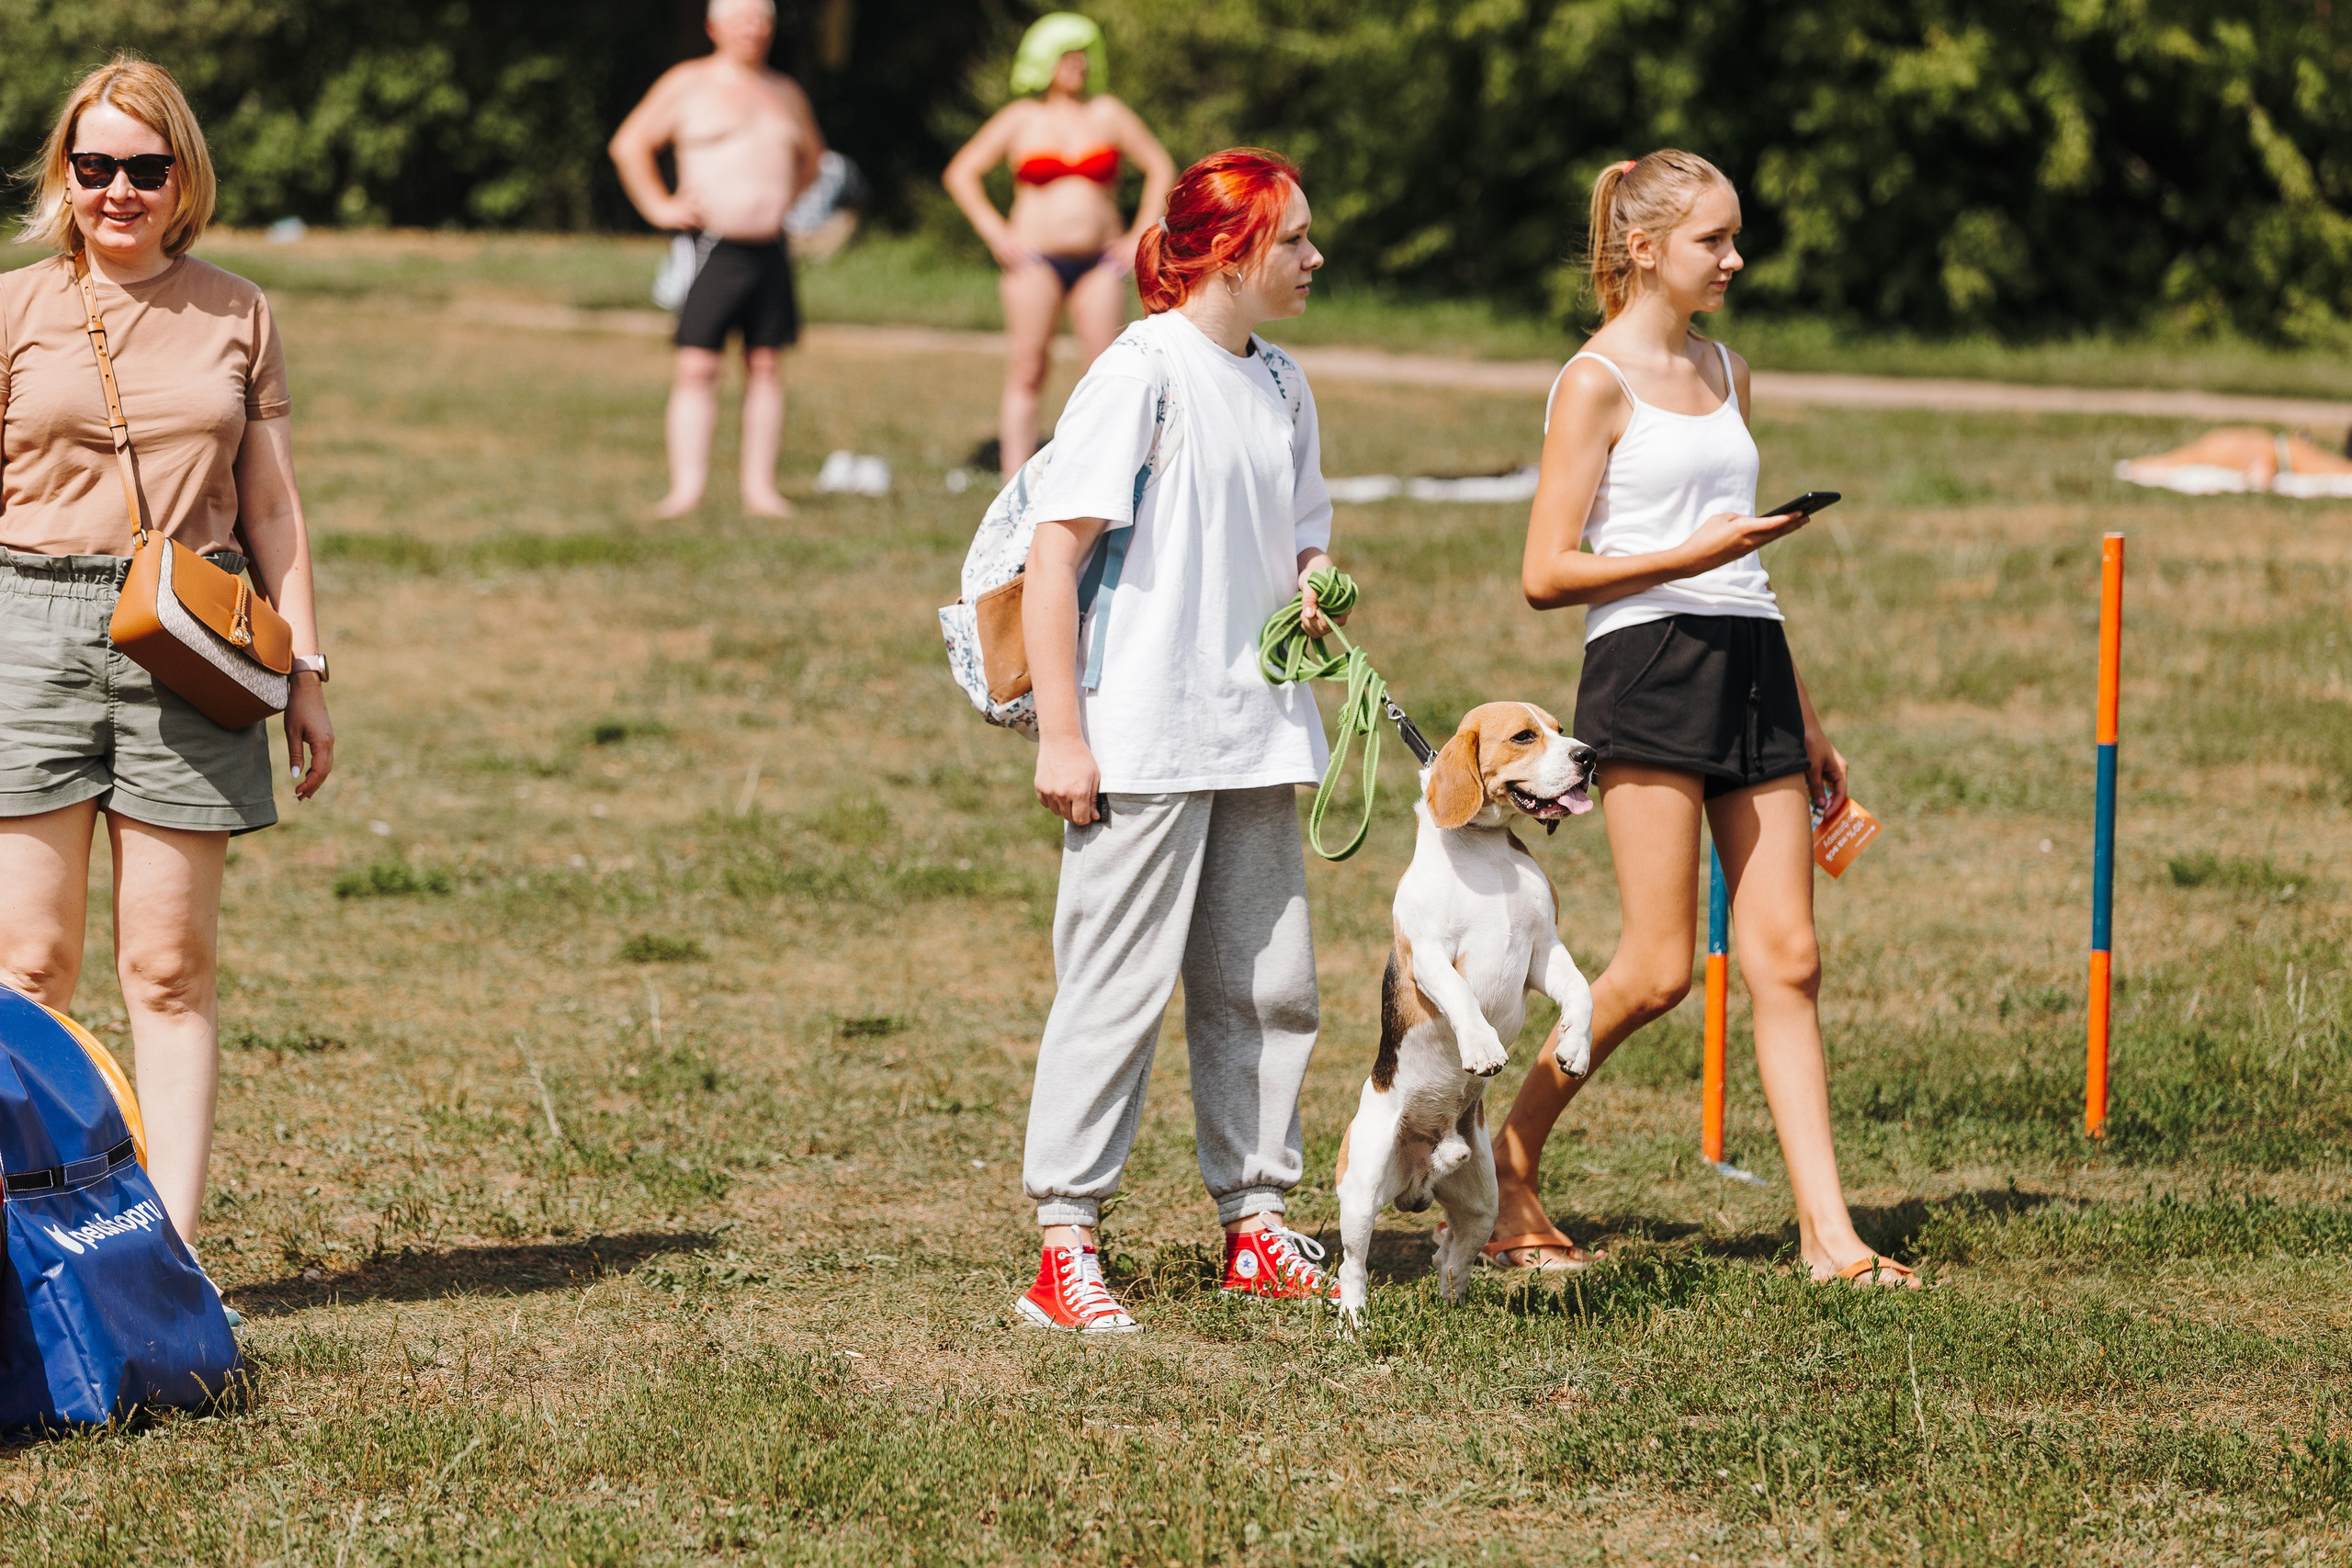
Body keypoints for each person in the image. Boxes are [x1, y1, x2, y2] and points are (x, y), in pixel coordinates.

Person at [1502, 151, 1917, 1287]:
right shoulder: (1592, 382)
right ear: (1644, 250)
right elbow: (1545, 569)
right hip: (1647, 664)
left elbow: (1747, 568)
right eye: (1712, 240)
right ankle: (1510, 1154)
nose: (1734, 259)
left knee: (1788, 956)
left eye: (1735, 238)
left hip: (1750, 657)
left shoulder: (1729, 368)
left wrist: (1808, 718)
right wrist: (1691, 553)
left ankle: (1830, 1240)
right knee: (1655, 968)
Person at [0, 58, 334, 1249]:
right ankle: (22, 1249)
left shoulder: (238, 309)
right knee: (28, 965)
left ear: (182, 175)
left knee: (171, 967)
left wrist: (307, 670)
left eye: (147, 168)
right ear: (66, 175)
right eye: (95, 167)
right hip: (28, 625)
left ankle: (170, 1255)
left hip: (189, 637)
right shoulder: (12, 306)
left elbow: (276, 510)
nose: (120, 191)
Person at [1014, 149, 1343, 1332]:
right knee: (1114, 987)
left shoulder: (1283, 383)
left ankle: (1256, 1226)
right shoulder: (1138, 371)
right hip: (1142, 733)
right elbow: (1056, 556)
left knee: (1268, 990)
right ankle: (1066, 1247)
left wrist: (1314, 580)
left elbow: (1299, 531)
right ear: (1231, 248)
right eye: (1294, 238)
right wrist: (1066, 736)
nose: (1314, 258)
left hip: (1258, 730)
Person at [609, 0, 825, 518]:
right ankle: (686, 491)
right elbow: (629, 145)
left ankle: (761, 490)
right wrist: (660, 206)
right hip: (711, 247)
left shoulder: (785, 92)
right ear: (714, 27)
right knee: (697, 367)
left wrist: (784, 206)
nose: (754, 30)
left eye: (763, 21)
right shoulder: (688, 83)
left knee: (767, 365)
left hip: (770, 250)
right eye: (742, 20)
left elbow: (813, 160)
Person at [943, 11, 1175, 478]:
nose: (1077, 65)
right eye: (1066, 55)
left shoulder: (1107, 113)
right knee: (1029, 366)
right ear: (1042, 60)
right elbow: (961, 173)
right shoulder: (1020, 119)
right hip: (1034, 261)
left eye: (1083, 55)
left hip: (1100, 263)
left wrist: (1138, 237)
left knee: (1108, 372)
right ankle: (1013, 477)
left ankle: (1107, 473)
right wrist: (996, 233)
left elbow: (1160, 166)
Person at [2114, 425, 2352, 497]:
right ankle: (2140, 467)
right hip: (2277, 451)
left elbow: (2260, 474)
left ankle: (2140, 467)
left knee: (2172, 460)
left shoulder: (2218, 448)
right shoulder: (2216, 449)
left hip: (2275, 451)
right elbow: (2260, 474)